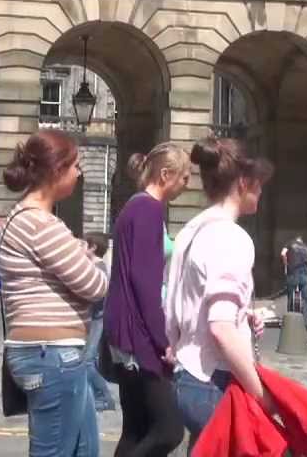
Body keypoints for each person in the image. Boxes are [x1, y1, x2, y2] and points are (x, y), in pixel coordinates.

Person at [0, 129, 109, 457]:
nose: (78, 173)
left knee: (85, 450)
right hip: (53, 354)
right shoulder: (41, 224)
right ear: (57, 170)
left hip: (51, 353)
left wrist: (79, 259)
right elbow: (95, 286)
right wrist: (93, 265)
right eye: (74, 166)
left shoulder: (21, 218)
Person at [165, 136, 275, 451]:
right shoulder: (232, 237)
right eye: (260, 182)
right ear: (243, 181)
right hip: (212, 381)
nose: (262, 190)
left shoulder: (191, 230)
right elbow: (221, 329)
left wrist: (242, 315)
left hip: (186, 374)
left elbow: (179, 304)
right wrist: (262, 395)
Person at [105, 143, 191, 457]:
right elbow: (144, 282)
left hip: (125, 329)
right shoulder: (148, 210)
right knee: (169, 430)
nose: (187, 184)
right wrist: (161, 340)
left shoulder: (136, 206)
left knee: (136, 429)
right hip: (136, 332)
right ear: (166, 174)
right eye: (184, 177)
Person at [82, 231, 117, 413]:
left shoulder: (99, 268)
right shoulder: (92, 266)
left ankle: (104, 398)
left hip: (97, 319)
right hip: (92, 319)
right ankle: (92, 395)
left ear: (93, 247)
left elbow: (98, 296)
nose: (81, 248)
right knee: (89, 360)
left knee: (86, 361)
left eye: (83, 244)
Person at [280, 235, 307, 323]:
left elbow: (283, 254)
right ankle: (304, 322)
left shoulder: (290, 243)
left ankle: (290, 321)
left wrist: (286, 264)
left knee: (290, 296)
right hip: (304, 274)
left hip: (293, 272)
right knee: (305, 298)